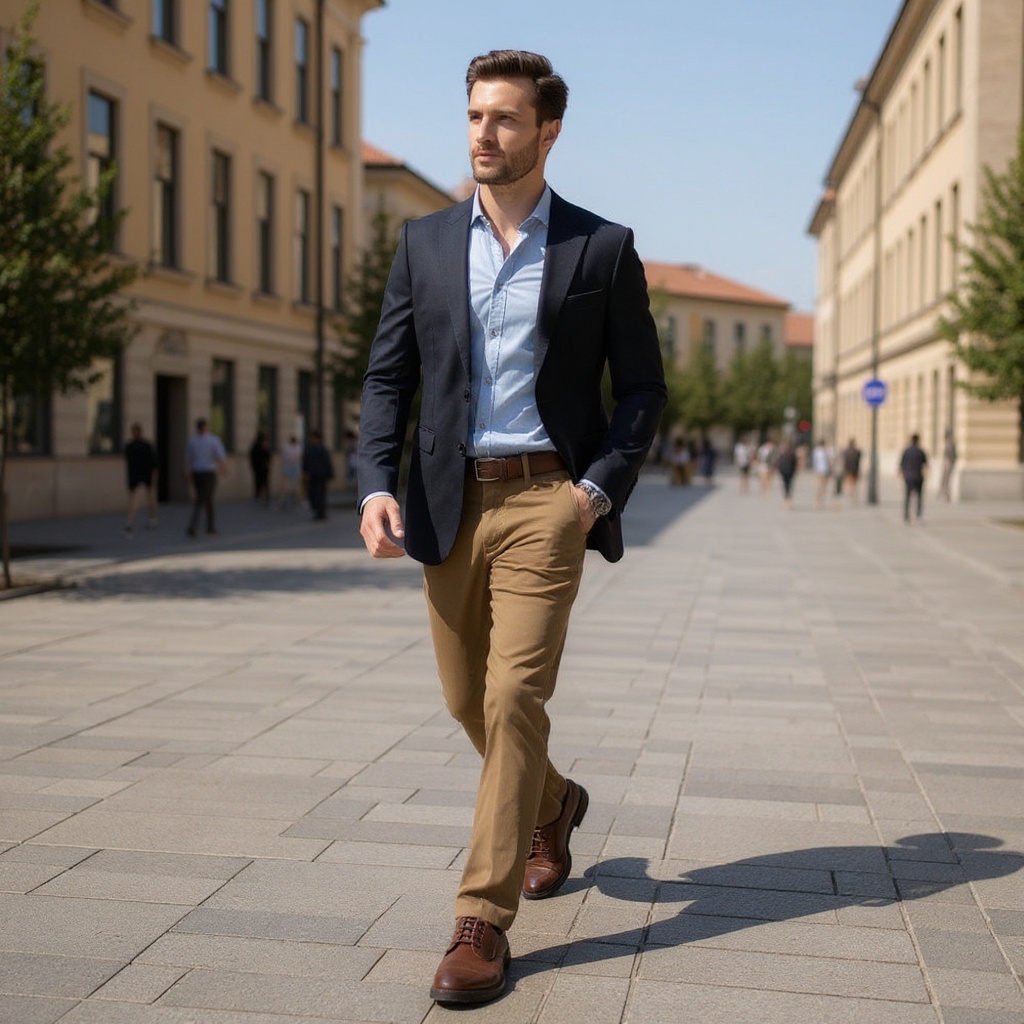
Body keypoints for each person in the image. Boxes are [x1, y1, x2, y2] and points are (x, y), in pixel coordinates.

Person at [356, 50, 666, 1006]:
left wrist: (594, 494)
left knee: (512, 699)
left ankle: (480, 919)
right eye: (474, 117)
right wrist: (373, 483)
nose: (482, 135)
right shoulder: (424, 243)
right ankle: (555, 803)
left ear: (546, 132)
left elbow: (642, 391)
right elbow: (387, 377)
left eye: (503, 120)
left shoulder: (600, 249)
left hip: (546, 500)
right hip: (447, 501)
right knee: (464, 700)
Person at [185, 418, 226, 536]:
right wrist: (223, 468)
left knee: (206, 499)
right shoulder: (212, 440)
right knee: (204, 499)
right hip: (207, 472)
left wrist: (188, 473)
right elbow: (220, 456)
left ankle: (209, 526)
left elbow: (189, 459)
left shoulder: (195, 441)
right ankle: (199, 525)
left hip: (199, 472)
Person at [123, 422, 158, 536]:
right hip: (142, 473)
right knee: (146, 497)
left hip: (139, 473)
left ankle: (132, 522)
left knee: (139, 498)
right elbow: (154, 461)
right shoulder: (141, 445)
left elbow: (153, 461)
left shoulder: (132, 446)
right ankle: (148, 520)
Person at [302, 429, 334, 521]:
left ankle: (320, 512)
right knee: (314, 493)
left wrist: (328, 473)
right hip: (314, 475)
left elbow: (327, 462)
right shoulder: (311, 449)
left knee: (320, 494)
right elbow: (306, 462)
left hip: (320, 475)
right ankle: (318, 511)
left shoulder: (321, 449)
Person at [899, 433, 928, 523]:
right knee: (919, 497)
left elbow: (901, 465)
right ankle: (918, 514)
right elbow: (925, 465)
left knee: (907, 497)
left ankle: (906, 515)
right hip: (918, 476)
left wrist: (901, 476)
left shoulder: (906, 451)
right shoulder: (921, 451)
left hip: (908, 477)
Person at [279, 435, 303, 510]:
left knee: (286, 485)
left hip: (288, 467)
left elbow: (284, 458)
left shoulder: (287, 448)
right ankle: (296, 499)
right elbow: (300, 458)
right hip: (295, 468)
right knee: (296, 485)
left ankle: (283, 499)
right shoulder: (298, 448)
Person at [248, 430, 272, 505]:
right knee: (264, 482)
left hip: (259, 467)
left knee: (259, 482)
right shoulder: (263, 446)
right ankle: (263, 497)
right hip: (262, 467)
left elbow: (252, 456)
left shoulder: (256, 446)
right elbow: (268, 456)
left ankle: (260, 496)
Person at [811, 439, 832, 510]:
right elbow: (830, 460)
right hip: (825, 470)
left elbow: (814, 461)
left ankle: (818, 501)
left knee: (820, 486)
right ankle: (820, 501)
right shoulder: (825, 451)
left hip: (819, 470)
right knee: (823, 486)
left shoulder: (816, 451)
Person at [776, 440, 797, 508]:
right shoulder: (781, 454)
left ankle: (788, 498)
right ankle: (786, 498)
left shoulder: (791, 454)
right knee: (785, 485)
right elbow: (779, 463)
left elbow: (794, 463)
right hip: (783, 472)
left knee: (789, 485)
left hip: (790, 472)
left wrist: (794, 471)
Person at [841, 438, 862, 502]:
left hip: (847, 469)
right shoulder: (857, 451)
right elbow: (859, 460)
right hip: (855, 469)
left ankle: (850, 494)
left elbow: (843, 460)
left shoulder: (845, 451)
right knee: (854, 484)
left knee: (848, 482)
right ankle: (853, 495)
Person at [938, 428, 957, 501]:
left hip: (948, 465)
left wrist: (949, 463)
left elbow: (952, 455)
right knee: (944, 481)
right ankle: (944, 494)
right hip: (946, 464)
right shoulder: (948, 444)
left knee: (946, 481)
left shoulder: (950, 444)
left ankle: (946, 495)